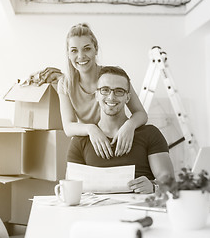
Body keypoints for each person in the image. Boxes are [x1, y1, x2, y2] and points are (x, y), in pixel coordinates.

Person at [67, 66, 174, 194]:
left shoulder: (150, 134)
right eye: (105, 90)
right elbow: (70, 189)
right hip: (96, 212)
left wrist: (153, 187)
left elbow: (169, 181)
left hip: (139, 210)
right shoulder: (80, 141)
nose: (111, 97)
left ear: (127, 98)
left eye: (119, 91)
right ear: (96, 95)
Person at [58, 23, 148, 159]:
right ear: (68, 54)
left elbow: (141, 114)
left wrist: (129, 126)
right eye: (74, 50)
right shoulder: (65, 84)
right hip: (92, 141)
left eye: (87, 49)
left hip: (119, 138)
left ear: (96, 49)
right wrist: (91, 129)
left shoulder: (113, 76)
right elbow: (68, 127)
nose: (81, 56)